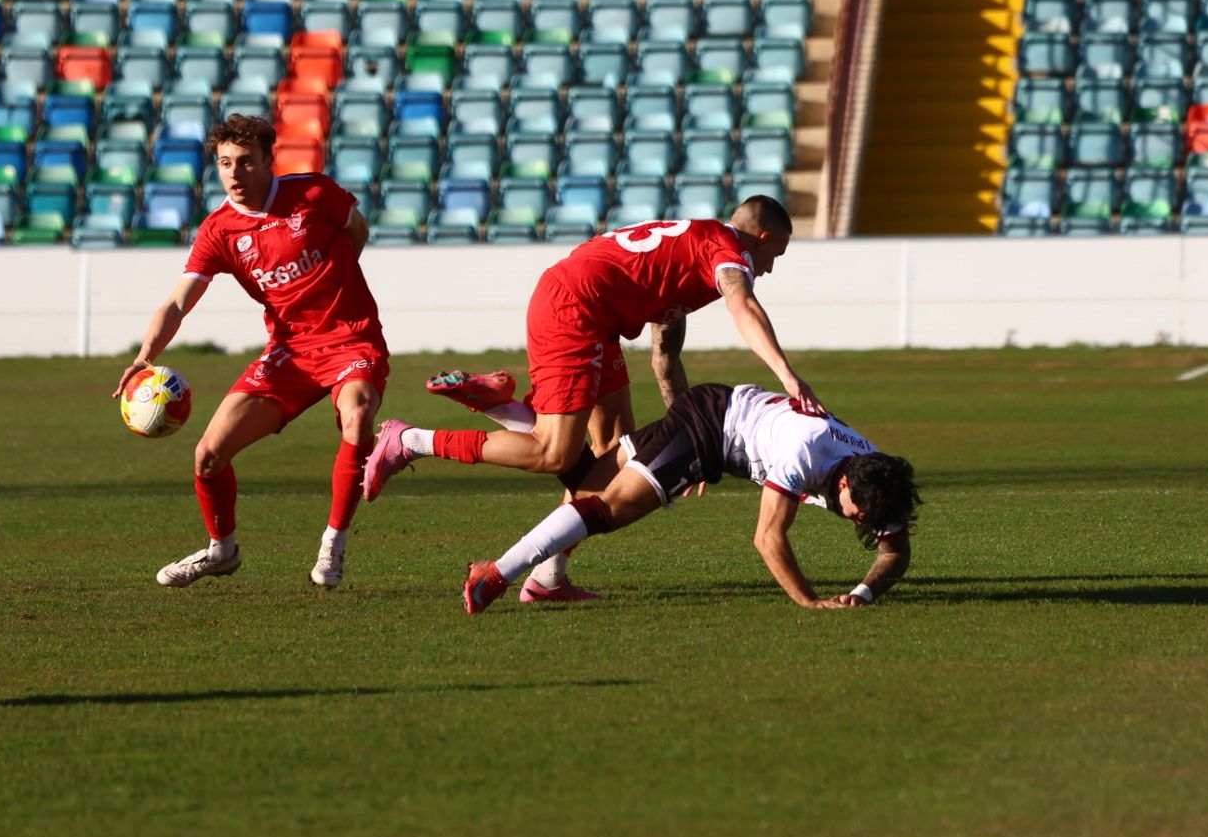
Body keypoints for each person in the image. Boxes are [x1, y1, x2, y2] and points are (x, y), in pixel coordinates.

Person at [361, 197, 822, 601]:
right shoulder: (727, 251)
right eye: (775, 254)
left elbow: (664, 356)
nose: (769, 268)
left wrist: (691, 435)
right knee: (554, 451)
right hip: (575, 307)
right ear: (762, 238)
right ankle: (412, 440)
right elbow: (742, 303)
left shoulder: (692, 251)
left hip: (592, 313)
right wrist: (788, 376)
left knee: (616, 457)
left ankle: (547, 577)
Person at [112, 115, 390, 590]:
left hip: (350, 338)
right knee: (208, 454)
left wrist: (339, 282)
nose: (234, 173)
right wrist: (144, 356)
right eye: (224, 163)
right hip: (289, 353)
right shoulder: (219, 230)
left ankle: (334, 542)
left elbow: (356, 231)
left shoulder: (315, 193)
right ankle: (222, 551)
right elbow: (178, 303)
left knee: (358, 415)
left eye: (244, 162)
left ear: (267, 161)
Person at [460, 383, 921, 612]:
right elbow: (767, 538)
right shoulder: (806, 452)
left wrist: (862, 594)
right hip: (711, 426)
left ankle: (500, 405)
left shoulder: (877, 479)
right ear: (842, 484)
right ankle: (496, 573)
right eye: (857, 516)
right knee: (608, 510)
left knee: (587, 482)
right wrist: (808, 601)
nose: (860, 523)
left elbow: (895, 551)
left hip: (716, 415)